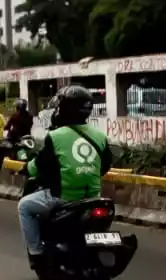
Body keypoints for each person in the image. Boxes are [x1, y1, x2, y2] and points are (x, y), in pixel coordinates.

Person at [17, 85, 112, 269]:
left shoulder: (55, 136)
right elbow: (105, 166)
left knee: (24, 206)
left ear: (64, 108)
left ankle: (36, 254)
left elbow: (40, 166)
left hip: (64, 197)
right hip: (93, 197)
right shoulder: (100, 136)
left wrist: (26, 168)